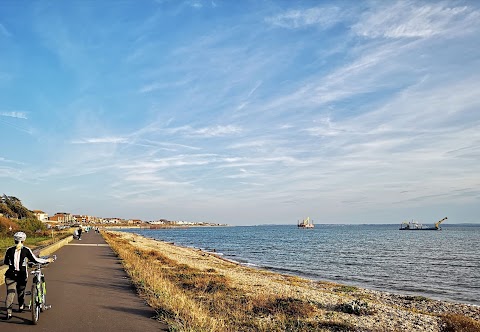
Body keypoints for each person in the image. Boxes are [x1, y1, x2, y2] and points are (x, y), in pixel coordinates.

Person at [3, 232, 53, 320]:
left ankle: (8, 313)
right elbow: (35, 259)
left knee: (10, 294)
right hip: (21, 275)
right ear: (24, 240)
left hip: (10, 275)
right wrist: (47, 260)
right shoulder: (26, 250)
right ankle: (21, 306)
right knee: (21, 291)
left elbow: (6, 262)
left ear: (14, 240)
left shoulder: (9, 250)